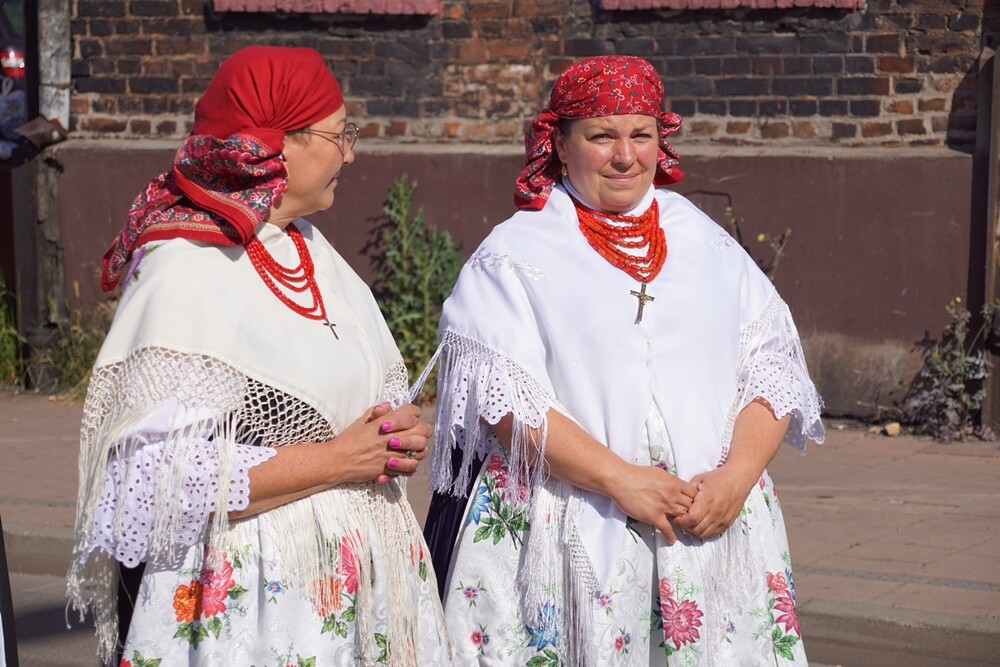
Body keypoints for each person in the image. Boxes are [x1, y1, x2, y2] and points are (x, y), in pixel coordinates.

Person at [416, 55, 825, 665]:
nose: (627, 156)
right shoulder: (514, 254)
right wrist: (621, 480)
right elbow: (502, 402)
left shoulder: (705, 242)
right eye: (602, 136)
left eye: (642, 135)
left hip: (709, 525)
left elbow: (771, 367)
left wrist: (737, 476)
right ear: (558, 141)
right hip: (564, 529)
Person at [67, 46, 451, 667]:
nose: (350, 153)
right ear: (277, 145)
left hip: (350, 593)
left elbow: (351, 406)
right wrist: (335, 460)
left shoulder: (311, 251)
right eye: (338, 135)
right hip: (253, 613)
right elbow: (147, 487)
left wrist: (392, 432)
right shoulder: (185, 269)